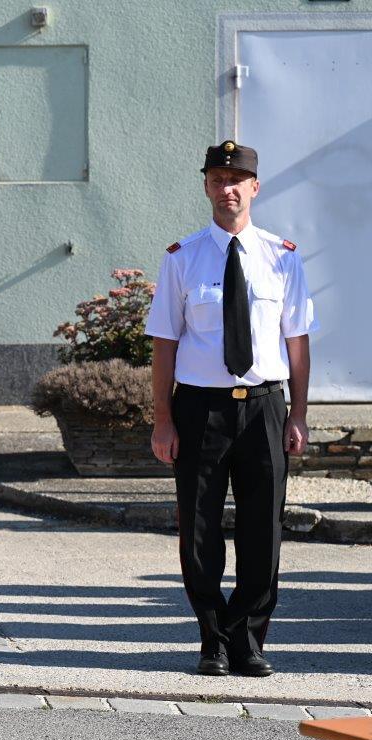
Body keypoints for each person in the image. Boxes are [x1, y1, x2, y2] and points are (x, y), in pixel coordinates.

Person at [146, 140, 317, 679]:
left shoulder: (282, 257)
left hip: (264, 407)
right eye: (218, 180)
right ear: (206, 187)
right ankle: (212, 639)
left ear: (254, 188)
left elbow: (297, 342)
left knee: (263, 528)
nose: (228, 190)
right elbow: (164, 344)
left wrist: (298, 414)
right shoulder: (182, 258)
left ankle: (247, 639)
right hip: (200, 410)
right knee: (199, 530)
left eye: (237, 180)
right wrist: (163, 420)